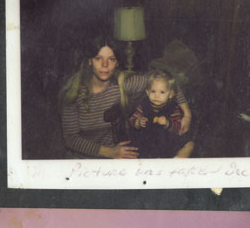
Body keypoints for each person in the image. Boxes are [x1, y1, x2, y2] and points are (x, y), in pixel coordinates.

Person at [58, 36, 193, 158]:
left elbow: (167, 83)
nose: (105, 65)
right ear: (89, 61)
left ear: (117, 63)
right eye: (98, 58)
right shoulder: (74, 93)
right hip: (82, 159)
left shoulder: (122, 84)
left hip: (118, 154)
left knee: (186, 147)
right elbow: (71, 139)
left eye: (111, 59)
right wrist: (110, 152)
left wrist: (187, 114)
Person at [128, 70, 191, 158]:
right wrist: (138, 122)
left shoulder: (173, 108)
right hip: (146, 139)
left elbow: (178, 128)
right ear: (147, 92)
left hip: (165, 140)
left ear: (170, 94)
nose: (157, 96)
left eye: (162, 92)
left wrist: (167, 123)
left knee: (184, 144)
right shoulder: (143, 104)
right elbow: (132, 119)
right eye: (153, 91)